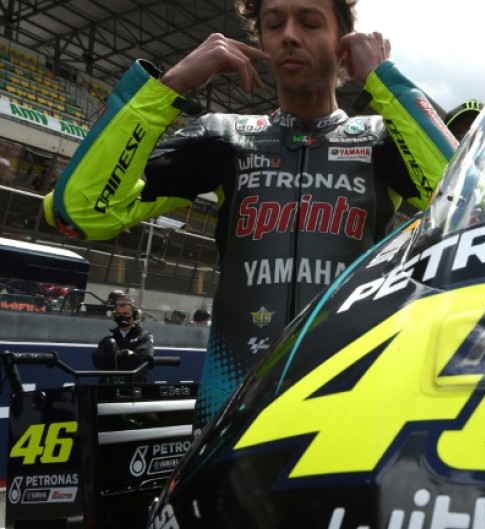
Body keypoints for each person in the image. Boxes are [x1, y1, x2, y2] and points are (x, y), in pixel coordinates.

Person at [42, 0, 456, 428]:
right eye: (274, 24)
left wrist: (385, 81)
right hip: (231, 413)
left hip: (354, 408)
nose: (289, 35)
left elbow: (475, 210)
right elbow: (80, 211)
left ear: (343, 42)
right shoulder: (222, 137)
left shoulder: (382, 139)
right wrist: (170, 85)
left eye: (310, 22)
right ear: (261, 41)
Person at [92, 297, 154, 384]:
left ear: (135, 315)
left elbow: (139, 361)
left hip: (133, 387)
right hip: (108, 387)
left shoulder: (145, 337)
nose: (121, 317)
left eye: (125, 314)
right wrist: (125, 352)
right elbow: (98, 362)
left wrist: (114, 356)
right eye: (118, 314)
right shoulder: (108, 339)